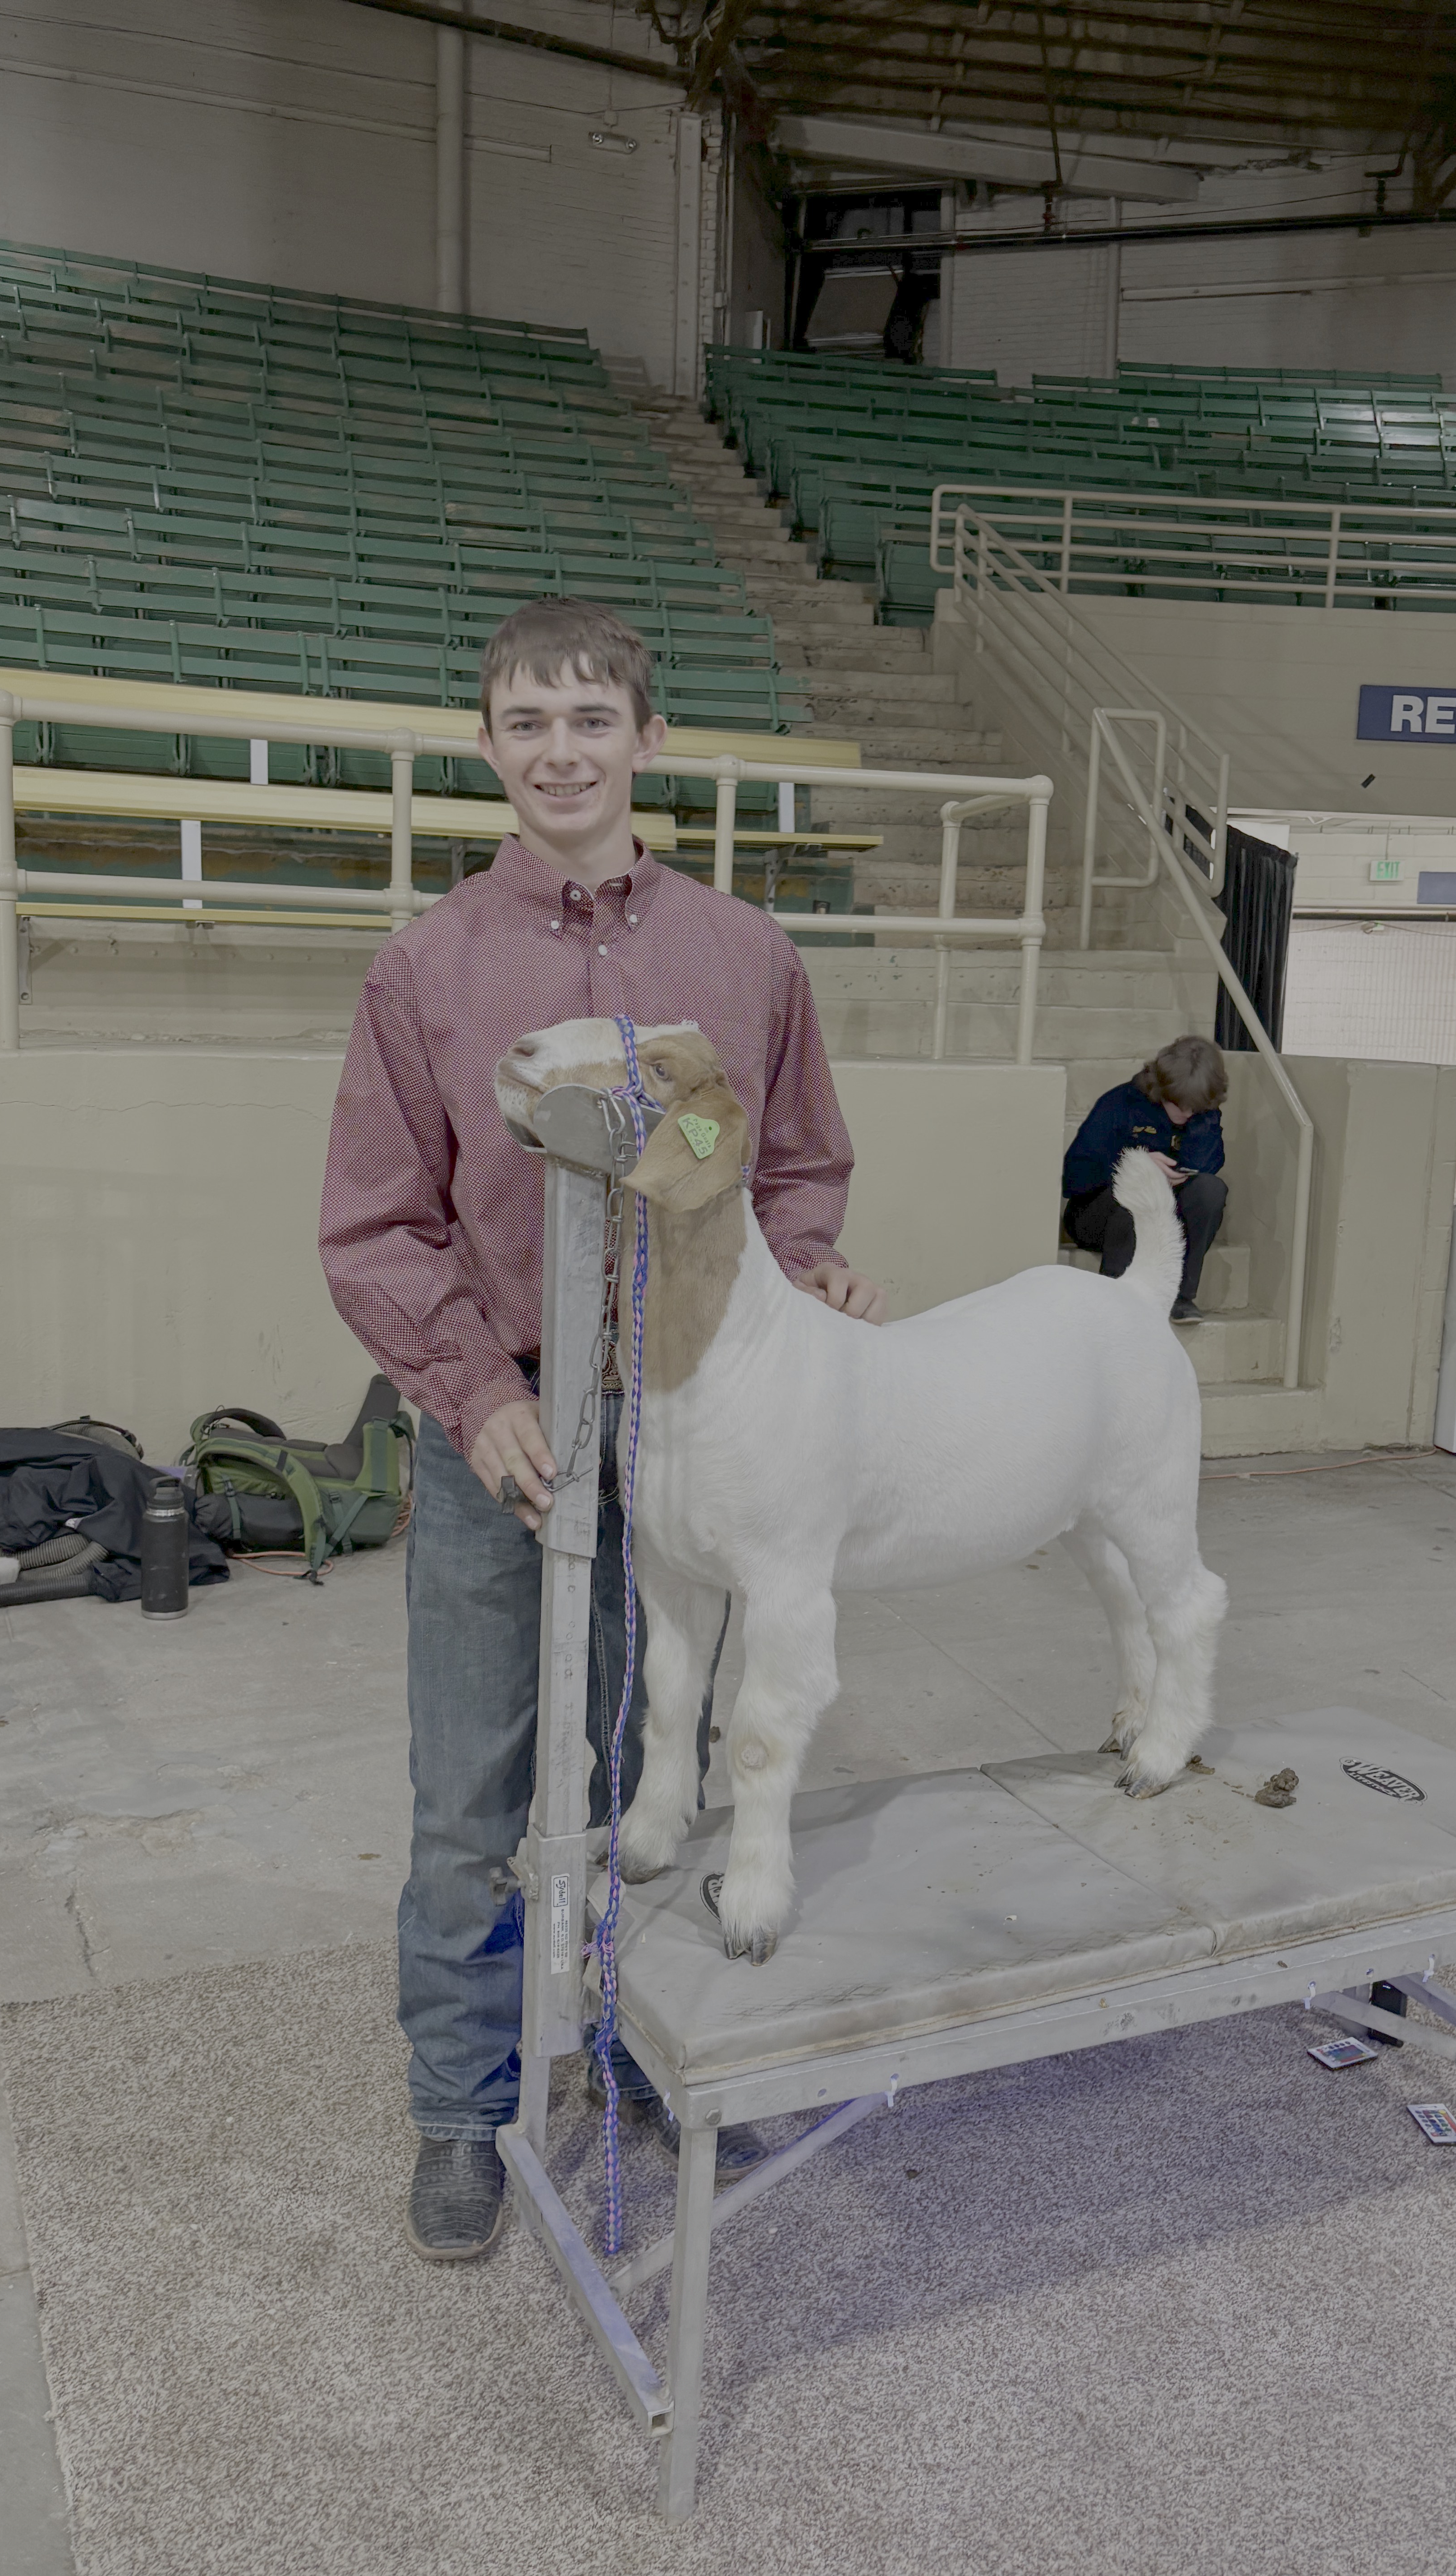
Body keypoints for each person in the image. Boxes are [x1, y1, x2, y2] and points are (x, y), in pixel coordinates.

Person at [319, 598, 886, 2263]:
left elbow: (793, 1169)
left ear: (648, 739)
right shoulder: (425, 968)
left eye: (589, 719)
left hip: (697, 1429)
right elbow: (378, 1226)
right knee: (471, 1791)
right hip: (504, 1434)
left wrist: (811, 1272)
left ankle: (640, 2035)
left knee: (656, 1764)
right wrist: (478, 1393)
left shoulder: (749, 956)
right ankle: (461, 2097)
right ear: (485, 744)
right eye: (526, 721)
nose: (559, 751)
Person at [1062, 1034, 1229, 1322]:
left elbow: (1206, 1165)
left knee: (1211, 1190)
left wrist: (1204, 1122)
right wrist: (1137, 1166)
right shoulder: (1120, 1104)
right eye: (1180, 1104)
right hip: (1100, 1212)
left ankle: (1180, 1296)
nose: (1187, 1113)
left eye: (1196, 1108)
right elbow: (1074, 1178)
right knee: (1137, 1201)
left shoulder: (1200, 1113)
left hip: (1163, 1217)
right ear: (1163, 1090)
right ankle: (1115, 1302)